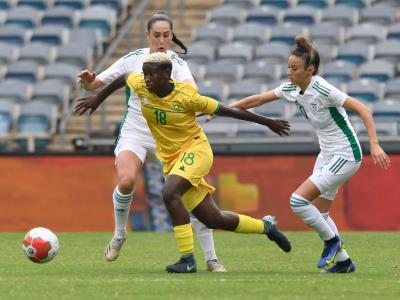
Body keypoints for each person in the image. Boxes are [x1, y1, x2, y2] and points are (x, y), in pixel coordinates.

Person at [74, 52, 292, 273]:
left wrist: (268, 122)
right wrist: (98, 99)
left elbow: (228, 110)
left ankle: (187, 259)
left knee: (169, 193)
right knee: (213, 218)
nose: (147, 79)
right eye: (145, 74)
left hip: (195, 151)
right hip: (171, 158)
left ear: (167, 74)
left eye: (152, 75)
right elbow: (126, 76)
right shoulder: (140, 83)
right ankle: (266, 227)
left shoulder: (187, 96)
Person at [76, 12, 227, 272]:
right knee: (126, 181)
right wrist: (91, 84)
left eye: (166, 35)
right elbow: (100, 82)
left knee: (192, 197)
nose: (161, 40)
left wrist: (202, 105)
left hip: (170, 139)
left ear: (172, 37)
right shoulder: (134, 60)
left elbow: (193, 92)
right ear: (148, 36)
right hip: (135, 132)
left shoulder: (177, 65)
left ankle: (212, 259)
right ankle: (119, 235)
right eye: (156, 35)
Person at [229, 36, 391, 273]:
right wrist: (222, 109)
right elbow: (259, 99)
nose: (289, 72)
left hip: (346, 154)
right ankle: (344, 262)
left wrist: (374, 145)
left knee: (297, 201)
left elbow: (363, 109)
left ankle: (332, 242)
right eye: (288, 67)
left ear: (310, 70)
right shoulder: (292, 89)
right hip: (327, 154)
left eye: (294, 68)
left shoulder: (323, 89)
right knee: (322, 213)